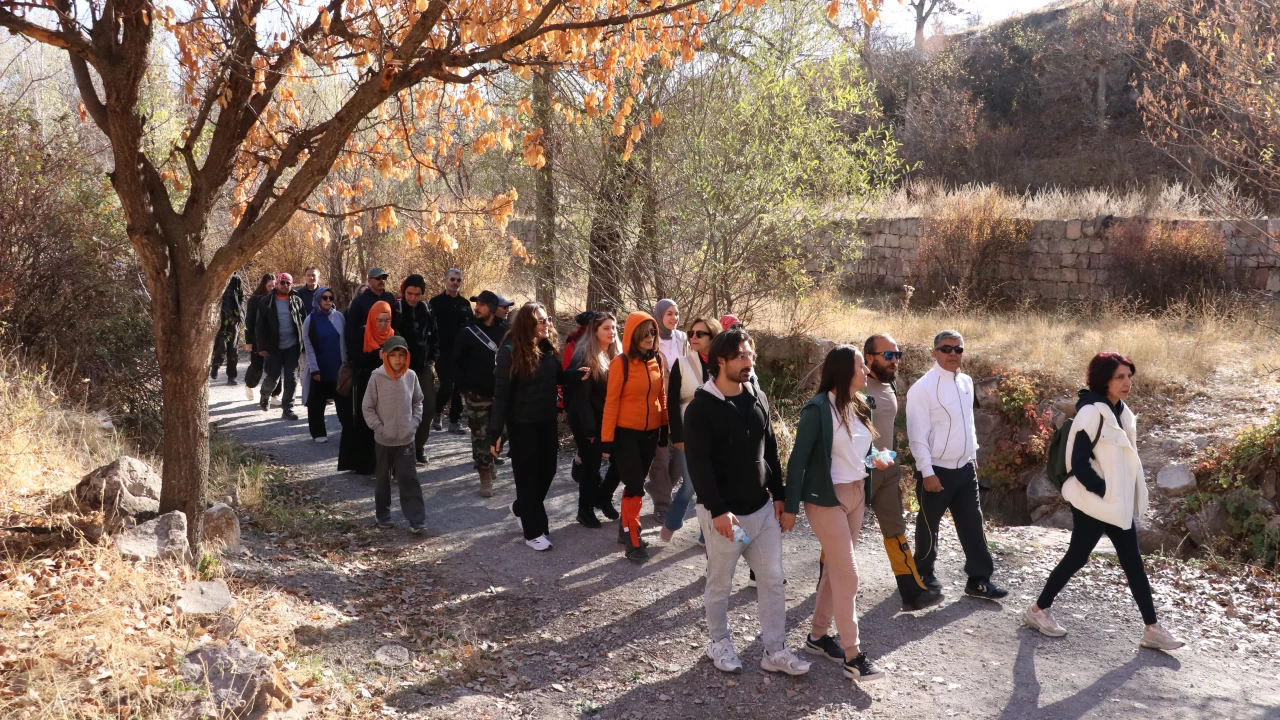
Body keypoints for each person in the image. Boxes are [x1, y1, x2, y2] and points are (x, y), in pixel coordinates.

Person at [1024, 353, 1185, 651]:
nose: (1127, 383)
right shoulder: (1091, 413)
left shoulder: (1122, 411)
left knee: (1131, 562)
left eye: (1128, 376)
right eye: (1119, 377)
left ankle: (1152, 628)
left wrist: (1123, 494)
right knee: (1079, 557)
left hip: (1116, 503)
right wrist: (1103, 491)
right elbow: (1078, 463)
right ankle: (1037, 611)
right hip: (1094, 501)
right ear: (1104, 380)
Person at [685, 329, 809, 676]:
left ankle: (775, 650)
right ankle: (719, 642)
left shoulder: (756, 396)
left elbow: (769, 448)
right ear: (720, 361)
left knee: (772, 577)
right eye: (741, 356)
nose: (749, 361)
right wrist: (718, 509)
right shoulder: (700, 409)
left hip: (762, 511)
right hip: (728, 519)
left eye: (750, 355)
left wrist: (780, 495)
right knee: (721, 580)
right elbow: (699, 465)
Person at [782, 346, 887, 683]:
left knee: (835, 570)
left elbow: (859, 456)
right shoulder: (816, 410)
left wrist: (876, 460)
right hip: (826, 500)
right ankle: (853, 655)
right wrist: (790, 507)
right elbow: (797, 461)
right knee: (849, 575)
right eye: (861, 365)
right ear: (844, 370)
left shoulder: (860, 406)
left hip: (856, 495)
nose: (867, 371)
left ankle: (816, 636)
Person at [906, 330, 1008, 601]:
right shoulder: (922, 389)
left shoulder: (965, 381)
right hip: (936, 471)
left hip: (964, 468)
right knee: (929, 526)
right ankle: (923, 576)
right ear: (935, 352)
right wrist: (927, 471)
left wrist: (972, 454)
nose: (953, 354)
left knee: (973, 524)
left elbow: (968, 422)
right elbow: (917, 435)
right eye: (947, 348)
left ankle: (979, 580)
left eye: (958, 349)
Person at [488, 302, 580, 551]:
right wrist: (495, 433)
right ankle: (533, 531)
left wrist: (574, 375)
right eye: (541, 320)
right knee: (527, 478)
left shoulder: (546, 346)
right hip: (522, 424)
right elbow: (501, 395)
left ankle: (522, 508)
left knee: (547, 471)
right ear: (527, 324)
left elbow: (554, 377)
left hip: (546, 420)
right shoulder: (510, 351)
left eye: (547, 318)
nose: (547, 323)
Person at [863, 334, 944, 611]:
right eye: (888, 355)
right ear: (869, 357)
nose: (895, 361)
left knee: (895, 530)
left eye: (898, 355)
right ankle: (827, 584)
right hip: (859, 472)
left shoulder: (889, 385)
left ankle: (911, 591)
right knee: (845, 533)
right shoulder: (854, 385)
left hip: (888, 470)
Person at [601, 311, 669, 562]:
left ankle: (625, 529)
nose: (650, 337)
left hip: (650, 434)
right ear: (633, 336)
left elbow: (661, 397)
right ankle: (632, 540)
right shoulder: (621, 362)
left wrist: (664, 429)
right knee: (635, 487)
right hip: (625, 435)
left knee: (635, 484)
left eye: (653, 332)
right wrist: (607, 439)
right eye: (644, 333)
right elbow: (611, 402)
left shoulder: (658, 360)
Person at [659, 316, 721, 543]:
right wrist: (677, 436)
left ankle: (707, 536)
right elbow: (672, 402)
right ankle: (671, 524)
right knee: (690, 485)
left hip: (717, 435)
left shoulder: (724, 363)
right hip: (688, 432)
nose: (693, 337)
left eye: (700, 334)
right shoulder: (682, 363)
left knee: (712, 485)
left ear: (713, 337)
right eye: (691, 333)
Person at [362, 335, 427, 534]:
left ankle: (416, 519)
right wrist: (379, 428)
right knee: (383, 479)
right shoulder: (376, 377)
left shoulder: (411, 376)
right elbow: (368, 407)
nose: (398, 359)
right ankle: (383, 514)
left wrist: (414, 423)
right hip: (384, 440)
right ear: (386, 357)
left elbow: (418, 401)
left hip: (406, 439)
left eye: (401, 355)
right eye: (393, 355)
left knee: (409, 478)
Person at [452, 290, 511, 497]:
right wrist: (464, 389)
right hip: (476, 395)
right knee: (480, 436)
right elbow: (455, 362)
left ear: (493, 309)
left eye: (483, 304)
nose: (477, 307)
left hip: (503, 394)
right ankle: (485, 473)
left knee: (503, 433)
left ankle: (491, 458)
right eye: (477, 304)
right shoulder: (467, 332)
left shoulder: (507, 331)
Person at [567, 312, 622, 527]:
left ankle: (603, 496)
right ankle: (585, 509)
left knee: (621, 460)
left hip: (611, 419)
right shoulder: (585, 356)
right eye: (606, 328)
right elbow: (581, 398)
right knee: (592, 466)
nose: (612, 332)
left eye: (614, 327)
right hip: (587, 419)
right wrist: (590, 430)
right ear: (595, 331)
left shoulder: (617, 353)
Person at [338, 299, 396, 474]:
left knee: (385, 424)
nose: (383, 324)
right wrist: (375, 356)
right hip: (364, 384)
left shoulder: (394, 336)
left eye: (387, 320)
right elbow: (354, 357)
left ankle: (384, 464)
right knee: (365, 423)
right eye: (379, 320)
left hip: (387, 386)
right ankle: (363, 463)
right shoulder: (362, 333)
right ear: (372, 318)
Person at [645, 299, 688, 522]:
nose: (674, 318)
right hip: (658, 403)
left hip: (681, 403)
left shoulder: (682, 338)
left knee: (683, 454)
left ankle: (659, 487)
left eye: (677, 314)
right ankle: (662, 505)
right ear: (659, 314)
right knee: (660, 455)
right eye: (669, 313)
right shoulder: (650, 337)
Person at [394, 274, 440, 464]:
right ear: (404, 292)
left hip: (423, 368)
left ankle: (419, 447)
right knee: (403, 412)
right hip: (400, 370)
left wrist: (432, 358)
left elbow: (434, 336)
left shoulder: (427, 309)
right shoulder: (396, 310)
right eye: (409, 293)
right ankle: (402, 452)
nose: (412, 298)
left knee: (428, 409)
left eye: (417, 294)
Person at [301, 287, 350, 443]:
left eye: (331, 297)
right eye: (324, 298)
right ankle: (318, 432)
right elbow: (308, 345)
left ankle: (349, 429)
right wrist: (314, 368)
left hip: (338, 367)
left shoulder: (340, 317)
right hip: (319, 367)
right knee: (317, 402)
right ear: (318, 299)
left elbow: (345, 341)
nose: (328, 301)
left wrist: (347, 363)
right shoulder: (311, 319)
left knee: (343, 402)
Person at [254, 272, 306, 420]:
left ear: (292, 285)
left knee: (291, 377)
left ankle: (288, 408)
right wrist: (261, 347)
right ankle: (265, 395)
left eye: (288, 283)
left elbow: (304, 323)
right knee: (273, 376)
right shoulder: (266, 301)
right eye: (282, 283)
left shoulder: (297, 301)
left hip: (292, 346)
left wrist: (304, 344)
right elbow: (259, 326)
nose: (285, 286)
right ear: (277, 284)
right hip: (273, 347)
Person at [429, 268, 474, 434]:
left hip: (462, 353)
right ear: (445, 281)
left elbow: (471, 327)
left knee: (459, 387)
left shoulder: (465, 304)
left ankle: (454, 421)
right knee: (447, 385)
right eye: (452, 279)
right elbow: (430, 328)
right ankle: (437, 412)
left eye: (458, 280)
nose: (455, 283)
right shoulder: (435, 303)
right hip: (442, 351)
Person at [243, 273, 274, 401]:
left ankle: (274, 394)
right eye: (269, 286)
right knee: (257, 365)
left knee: (274, 367)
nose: (272, 288)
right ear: (263, 285)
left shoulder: (277, 297)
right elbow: (249, 321)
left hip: (272, 338)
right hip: (256, 338)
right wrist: (248, 341)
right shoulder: (255, 299)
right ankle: (249, 385)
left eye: (274, 285)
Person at [211, 274, 244, 385]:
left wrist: (241, 314)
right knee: (221, 345)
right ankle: (215, 365)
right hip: (220, 318)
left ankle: (231, 376)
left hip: (234, 319)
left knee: (233, 348)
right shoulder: (217, 276)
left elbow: (241, 297)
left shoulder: (236, 279)